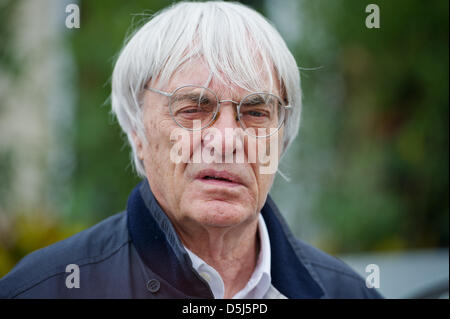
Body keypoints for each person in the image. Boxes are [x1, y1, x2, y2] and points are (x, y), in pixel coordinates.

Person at [0, 1, 382, 299]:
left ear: (282, 139)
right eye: (194, 109)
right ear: (137, 131)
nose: (227, 140)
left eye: (255, 112)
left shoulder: (348, 292)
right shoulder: (45, 288)